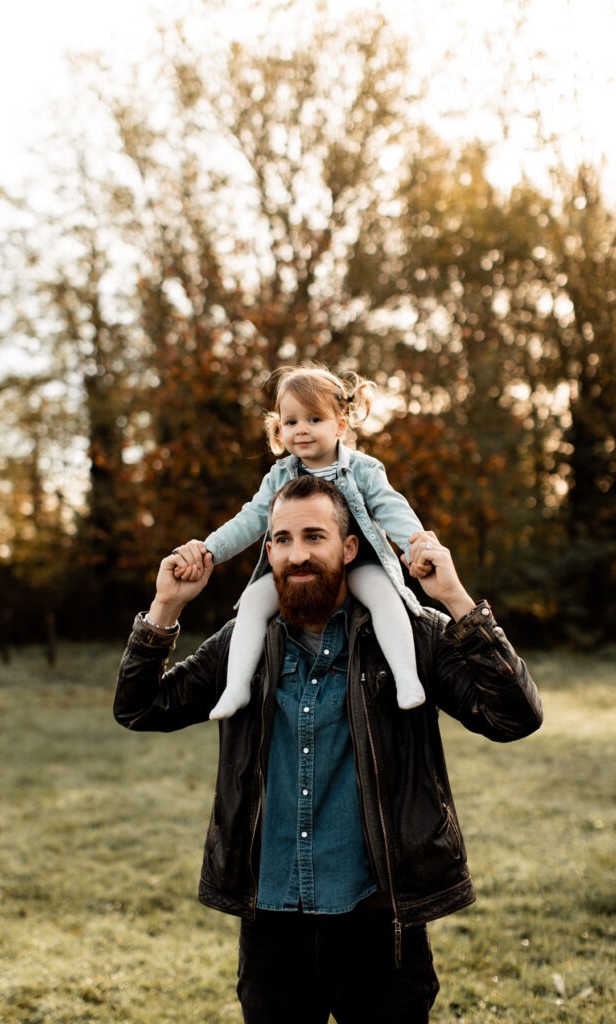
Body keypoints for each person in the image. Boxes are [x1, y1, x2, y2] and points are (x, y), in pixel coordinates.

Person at [113, 475, 543, 1024]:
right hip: (271, 925)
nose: (297, 555)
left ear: (349, 546)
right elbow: (140, 708)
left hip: (380, 921)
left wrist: (455, 600)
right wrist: (165, 607)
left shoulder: (409, 635)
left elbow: (515, 717)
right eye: (283, 540)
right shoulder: (242, 642)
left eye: (314, 537)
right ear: (267, 549)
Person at [172, 364, 431, 720]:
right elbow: (249, 520)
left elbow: (391, 509)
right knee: (251, 601)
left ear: (340, 425)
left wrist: (415, 543)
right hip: (299, 565)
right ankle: (236, 687)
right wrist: (210, 550)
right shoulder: (279, 475)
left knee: (384, 596)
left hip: (359, 561)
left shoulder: (363, 469)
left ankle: (406, 678)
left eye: (314, 419)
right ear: (279, 428)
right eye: (291, 422)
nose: (301, 430)